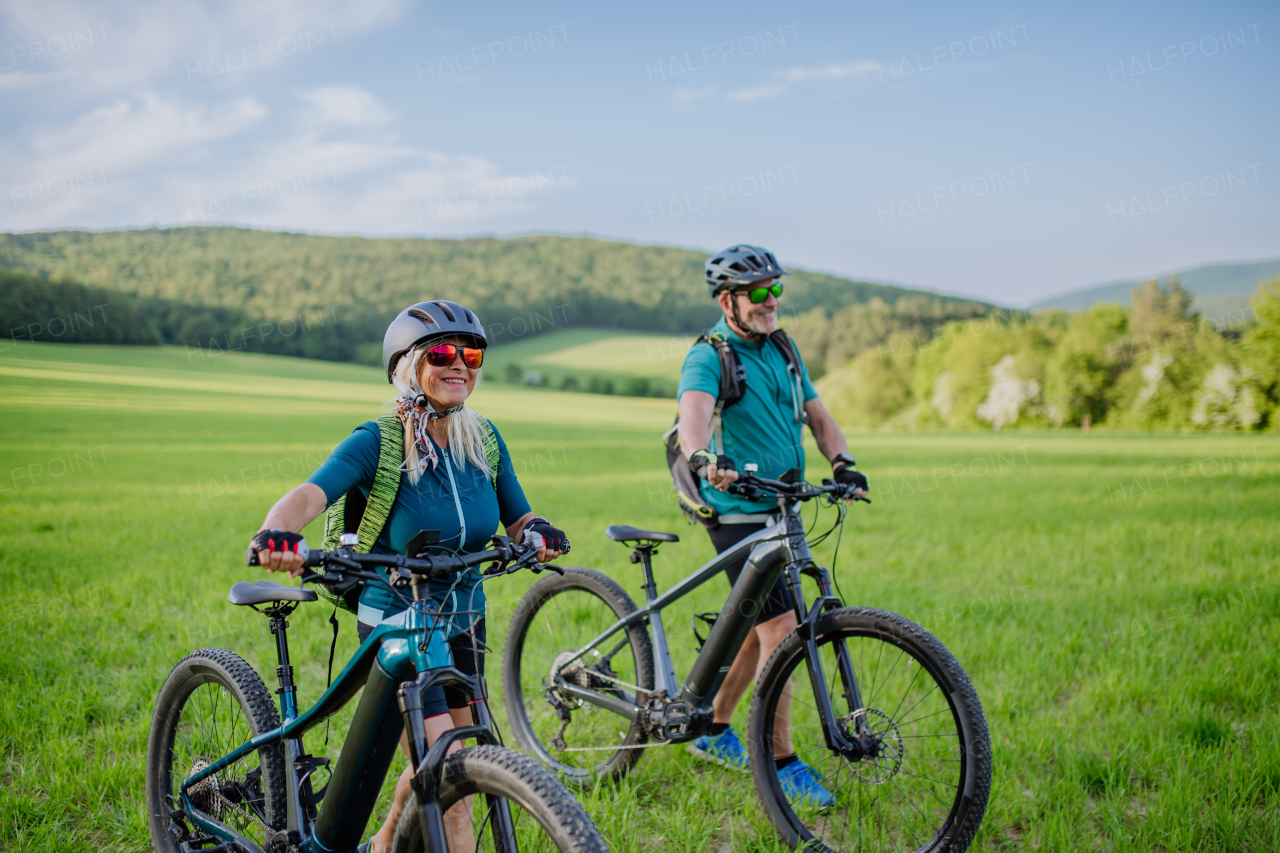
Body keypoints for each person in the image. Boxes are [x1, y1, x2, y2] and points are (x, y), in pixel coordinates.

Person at [247, 300, 570, 852]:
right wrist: (277, 532)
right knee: (455, 780)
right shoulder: (378, 440)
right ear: (406, 365)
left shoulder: (483, 439)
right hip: (396, 619)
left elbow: (517, 516)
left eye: (471, 354)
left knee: (451, 755)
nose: (460, 364)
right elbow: (307, 495)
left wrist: (537, 532)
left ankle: (381, 845)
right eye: (442, 353)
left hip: (465, 618)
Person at [677, 245, 868, 808]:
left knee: (760, 628)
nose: (771, 301)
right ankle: (779, 761)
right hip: (735, 510)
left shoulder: (782, 348)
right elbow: (692, 417)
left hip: (782, 506)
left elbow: (818, 414)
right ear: (727, 301)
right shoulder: (708, 354)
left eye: (775, 290)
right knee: (782, 627)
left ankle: (713, 728)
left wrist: (843, 462)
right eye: (758, 292)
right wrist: (700, 457)